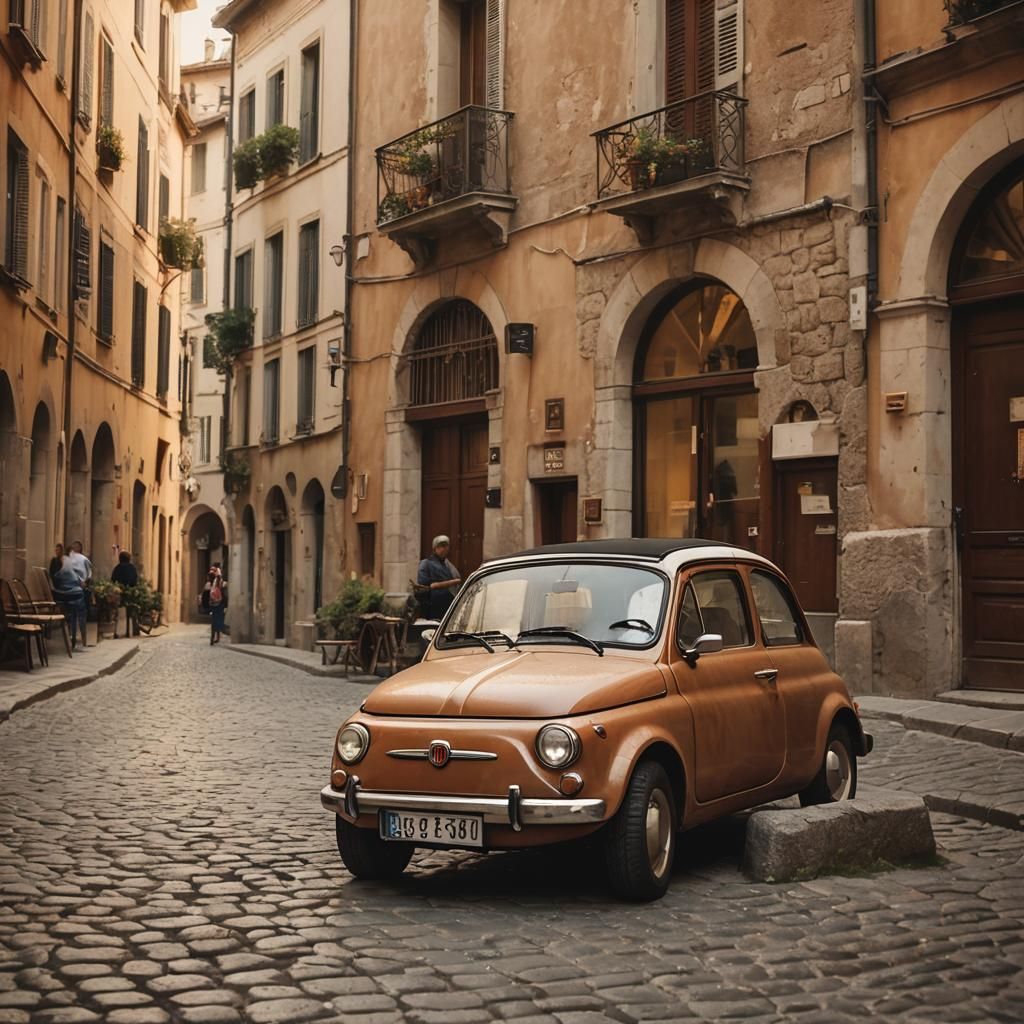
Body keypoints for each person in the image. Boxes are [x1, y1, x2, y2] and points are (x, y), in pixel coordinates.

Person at [415, 535, 462, 620]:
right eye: (440, 546)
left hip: (448, 608)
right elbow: (424, 585)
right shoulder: (426, 563)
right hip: (431, 609)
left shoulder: (448, 565)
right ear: (435, 548)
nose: (443, 549)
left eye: (446, 546)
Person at [51, 558, 88, 650]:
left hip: (60, 597)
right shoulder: (74, 574)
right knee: (79, 610)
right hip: (74, 598)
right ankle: (81, 636)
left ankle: (71, 631)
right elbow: (82, 585)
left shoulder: (57, 575)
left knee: (71, 609)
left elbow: (55, 584)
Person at [111, 551, 138, 638]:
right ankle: (129, 631)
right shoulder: (132, 568)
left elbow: (113, 579)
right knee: (130, 612)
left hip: (119, 591)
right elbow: (135, 580)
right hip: (129, 592)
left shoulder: (117, 568)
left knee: (116, 613)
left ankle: (116, 632)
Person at [201, 567, 227, 645]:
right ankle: (215, 637)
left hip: (214, 605)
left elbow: (205, 596)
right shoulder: (220, 583)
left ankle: (213, 638)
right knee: (217, 621)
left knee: (214, 621)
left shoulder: (210, 584)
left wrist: (206, 606)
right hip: (219, 605)